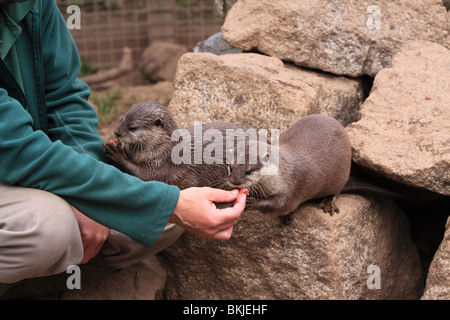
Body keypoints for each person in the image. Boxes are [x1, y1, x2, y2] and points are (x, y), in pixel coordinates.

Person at [0, 0, 246, 294]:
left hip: (35, 167)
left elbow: (64, 98)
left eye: (132, 129)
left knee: (166, 219)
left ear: (159, 127)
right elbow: (19, 149)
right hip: (17, 163)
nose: (120, 132)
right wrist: (97, 199)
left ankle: (54, 276)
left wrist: (97, 198)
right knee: (49, 230)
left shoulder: (35, 6)